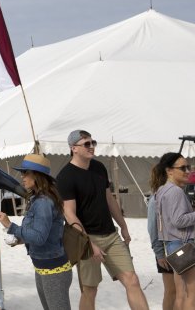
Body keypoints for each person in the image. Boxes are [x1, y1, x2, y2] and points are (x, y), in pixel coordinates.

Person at [56, 130, 148, 310]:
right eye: (87, 144)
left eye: (93, 143)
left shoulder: (99, 167)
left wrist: (123, 225)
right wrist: (89, 243)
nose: (92, 147)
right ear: (74, 148)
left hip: (111, 235)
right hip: (86, 239)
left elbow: (109, 199)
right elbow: (70, 214)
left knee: (132, 280)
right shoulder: (65, 177)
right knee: (90, 290)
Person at [0, 153, 72, 310]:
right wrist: (20, 239)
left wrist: (10, 226)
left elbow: (39, 237)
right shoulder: (38, 199)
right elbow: (40, 233)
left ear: (37, 176)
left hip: (53, 270)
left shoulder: (43, 202)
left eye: (25, 172)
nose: (22, 176)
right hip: (45, 267)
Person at [154, 152, 195, 310]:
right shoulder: (175, 192)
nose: (187, 171)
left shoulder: (162, 190)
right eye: (183, 168)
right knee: (191, 295)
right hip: (183, 245)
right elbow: (179, 220)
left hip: (173, 246)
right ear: (169, 170)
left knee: (181, 294)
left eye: (188, 167)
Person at [148, 160, 178, 310]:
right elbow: (153, 228)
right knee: (172, 291)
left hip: (182, 248)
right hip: (166, 251)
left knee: (182, 291)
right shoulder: (156, 199)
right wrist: (159, 254)